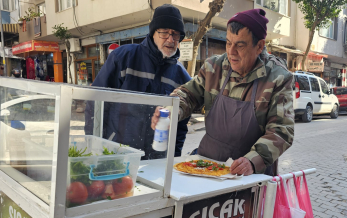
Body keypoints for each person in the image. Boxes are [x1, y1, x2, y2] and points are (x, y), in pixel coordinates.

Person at [152, 8, 294, 178]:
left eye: (240, 45)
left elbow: (281, 130)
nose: (231, 52)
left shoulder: (278, 77)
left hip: (249, 176)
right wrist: (170, 111)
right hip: (207, 165)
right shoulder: (214, 67)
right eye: (228, 43)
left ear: (259, 46)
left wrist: (252, 160)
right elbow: (189, 94)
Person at [85, 4, 191, 159]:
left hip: (156, 160)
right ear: (153, 32)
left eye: (175, 34)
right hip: (117, 155)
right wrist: (94, 147)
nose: (170, 39)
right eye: (164, 33)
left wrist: (172, 158)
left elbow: (180, 125)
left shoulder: (181, 76)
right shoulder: (123, 58)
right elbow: (95, 103)